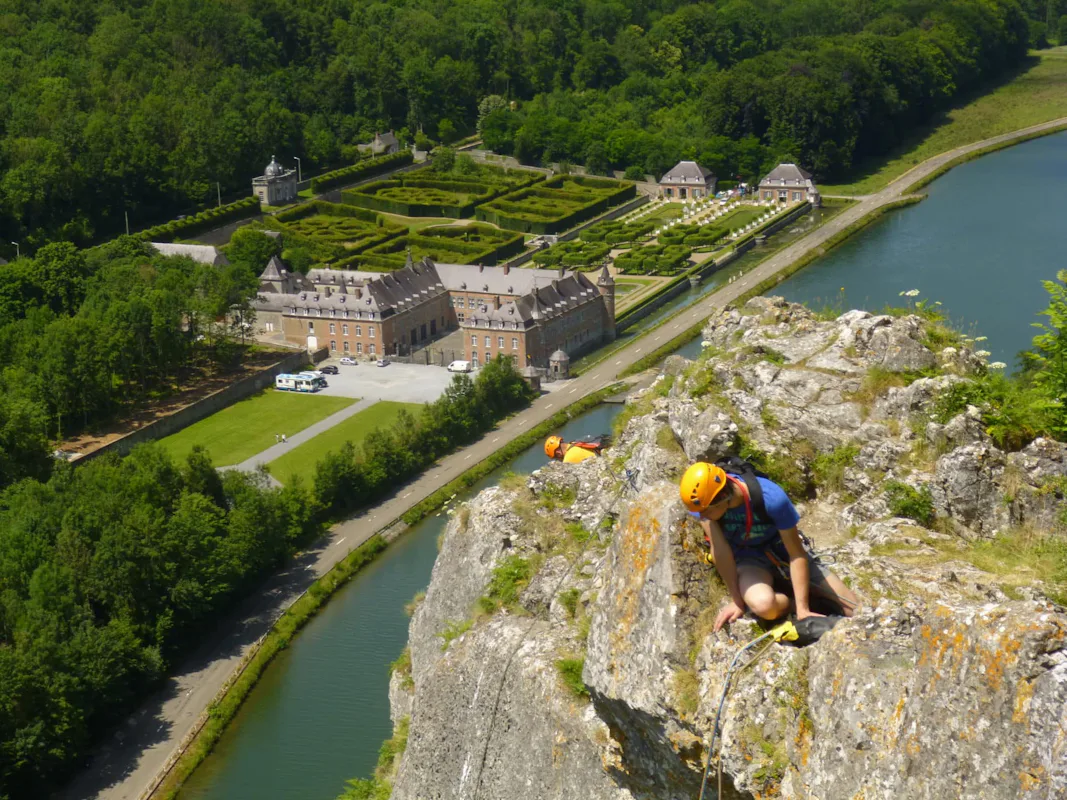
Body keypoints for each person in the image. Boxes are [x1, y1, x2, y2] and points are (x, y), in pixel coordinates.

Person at [679, 461, 859, 632]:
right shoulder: (704, 508)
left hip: (783, 552)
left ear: (723, 496)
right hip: (749, 560)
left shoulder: (771, 498)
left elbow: (796, 554)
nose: (702, 516)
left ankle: (806, 600)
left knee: (855, 610)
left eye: (707, 510)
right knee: (763, 605)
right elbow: (721, 551)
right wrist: (737, 600)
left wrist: (805, 611)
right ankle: (793, 603)